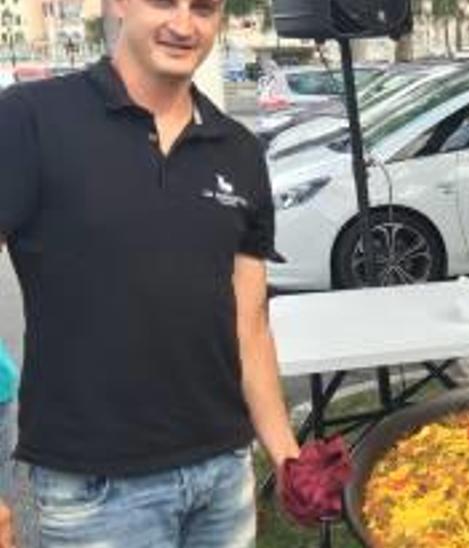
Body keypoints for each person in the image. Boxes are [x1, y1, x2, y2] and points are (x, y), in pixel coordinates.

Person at [0, 0, 301, 545]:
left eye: (204, 9)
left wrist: (286, 455)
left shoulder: (238, 151)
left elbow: (250, 326)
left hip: (223, 474)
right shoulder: (28, 119)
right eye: (165, 2)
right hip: (96, 488)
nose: (184, 25)